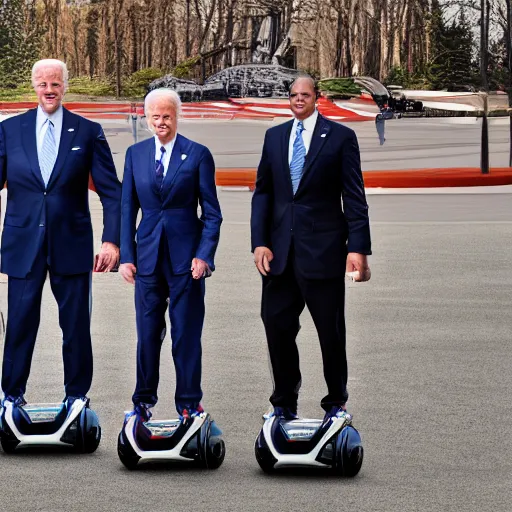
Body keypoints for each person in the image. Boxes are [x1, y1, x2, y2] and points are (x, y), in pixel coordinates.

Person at [0, 59, 121, 408]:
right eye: (43, 84)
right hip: (23, 246)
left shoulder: (87, 131)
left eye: (55, 84)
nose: (49, 90)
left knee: (76, 327)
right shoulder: (11, 131)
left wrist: (111, 241)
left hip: (72, 244)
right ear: (33, 85)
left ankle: (77, 397)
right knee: (20, 326)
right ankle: (11, 397)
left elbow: (112, 193)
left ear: (65, 85)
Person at [250, 74, 371, 421]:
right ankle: (284, 403)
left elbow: (354, 196)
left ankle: (336, 402)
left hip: (324, 253)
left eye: (305, 94)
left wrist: (357, 247)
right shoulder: (274, 137)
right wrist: (260, 242)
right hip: (279, 256)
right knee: (276, 327)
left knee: (331, 333)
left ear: (317, 97)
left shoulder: (340, 138)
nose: (299, 99)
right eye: (293, 94)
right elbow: (263, 194)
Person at [119, 88, 222, 421]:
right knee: (147, 334)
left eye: (167, 116)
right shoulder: (135, 155)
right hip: (147, 260)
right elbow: (126, 210)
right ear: (146, 119)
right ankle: (143, 401)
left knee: (185, 334)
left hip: (186, 262)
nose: (161, 122)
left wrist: (204, 256)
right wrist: (126, 256)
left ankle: (189, 403)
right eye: (155, 117)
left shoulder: (197, 154)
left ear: (177, 117)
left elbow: (212, 212)